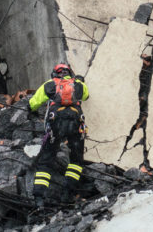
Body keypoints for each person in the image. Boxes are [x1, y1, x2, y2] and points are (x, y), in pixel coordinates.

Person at [28, 62, 90, 207]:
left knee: (46, 161)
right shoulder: (78, 84)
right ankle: (67, 195)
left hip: (55, 125)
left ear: (55, 73)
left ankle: (39, 199)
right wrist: (80, 81)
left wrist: (31, 111)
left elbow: (32, 103)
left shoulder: (49, 84)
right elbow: (86, 96)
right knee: (76, 161)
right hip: (76, 124)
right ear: (70, 73)